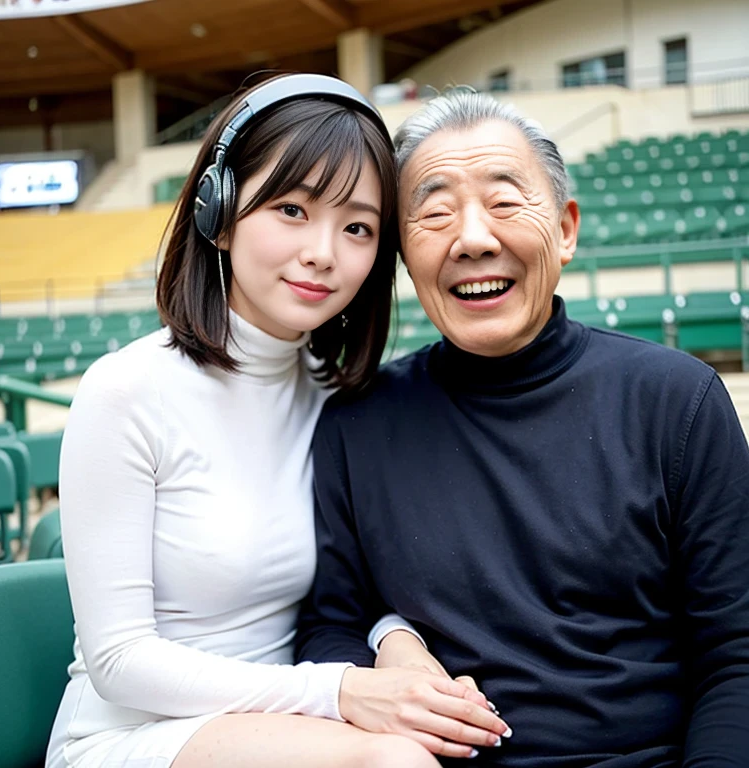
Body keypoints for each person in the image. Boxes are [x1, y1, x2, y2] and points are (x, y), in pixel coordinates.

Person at [45, 75, 509, 768]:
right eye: (292, 209)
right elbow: (119, 660)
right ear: (220, 212)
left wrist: (393, 642)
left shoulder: (338, 398)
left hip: (291, 719)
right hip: (132, 731)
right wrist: (344, 691)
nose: (324, 252)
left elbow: (346, 590)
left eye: (356, 228)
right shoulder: (126, 391)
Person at [296, 89, 749, 767]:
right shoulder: (355, 424)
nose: (474, 239)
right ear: (402, 253)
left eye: (505, 203)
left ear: (566, 229)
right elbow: (329, 627)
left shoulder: (676, 400)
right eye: (436, 212)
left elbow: (737, 657)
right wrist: (384, 653)